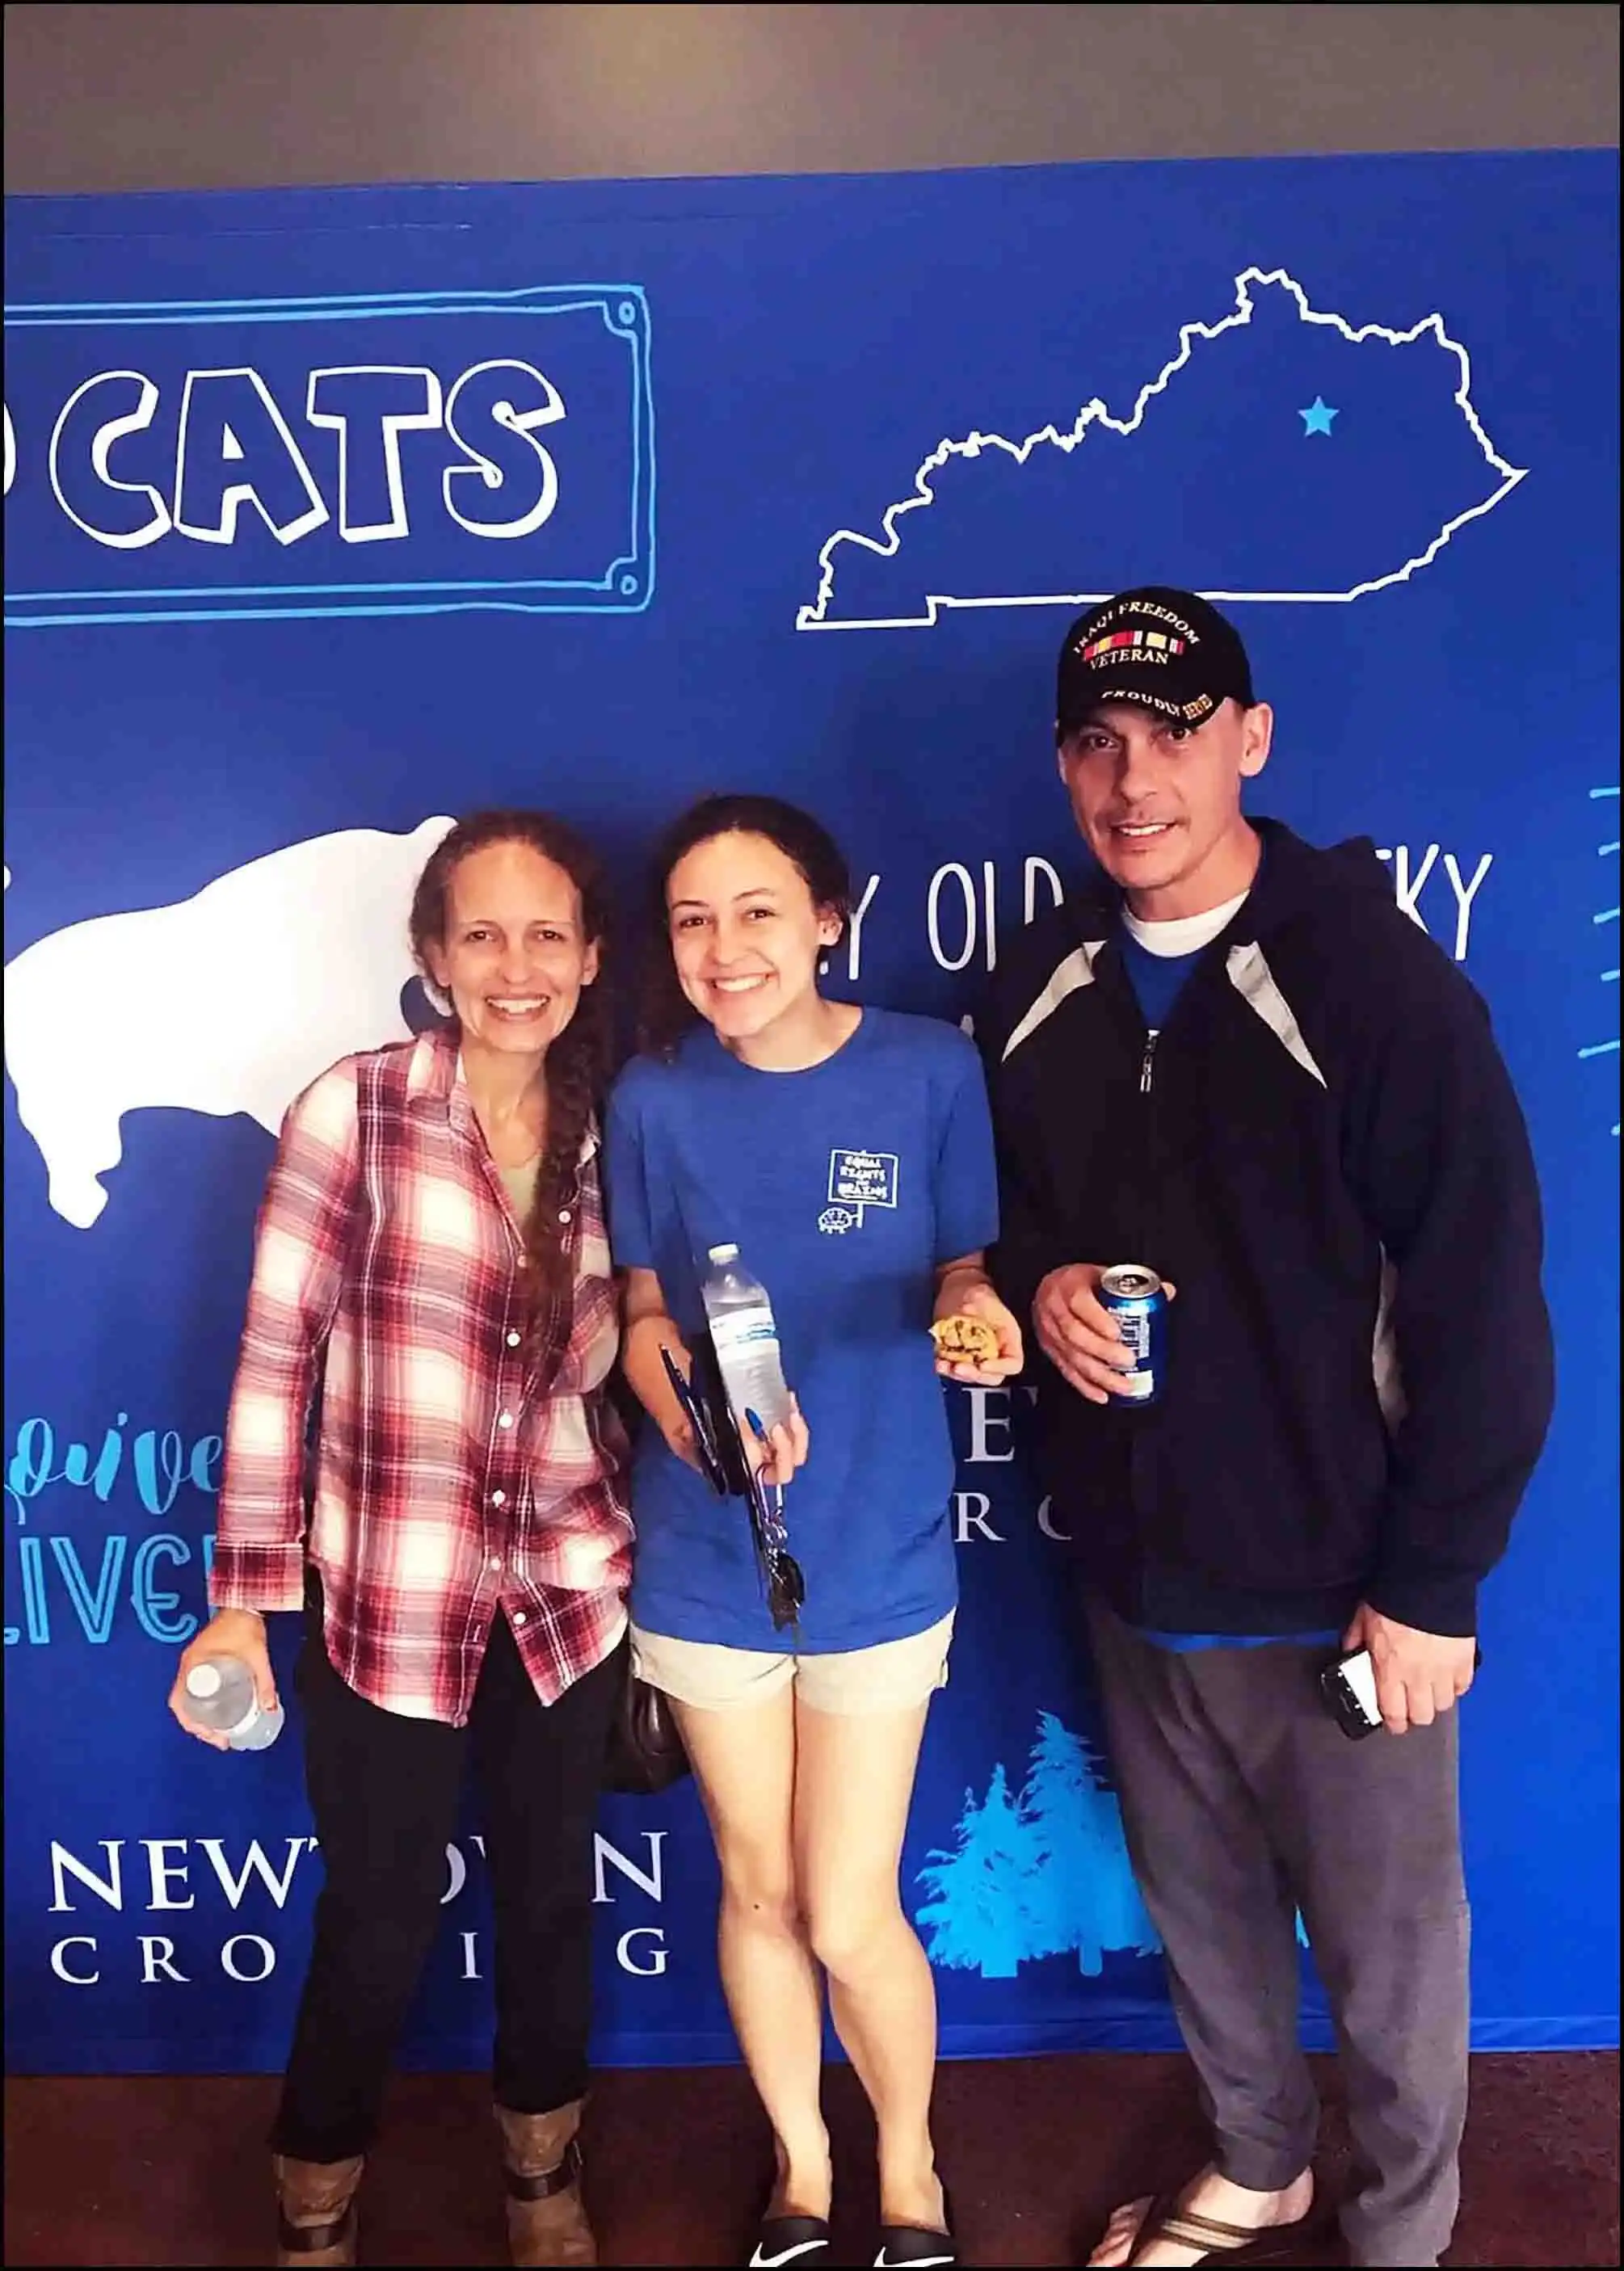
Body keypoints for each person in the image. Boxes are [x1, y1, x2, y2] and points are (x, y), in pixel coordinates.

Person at [978, 590, 1555, 2271]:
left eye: (1170, 735)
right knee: (1206, 1919)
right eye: (1096, 742)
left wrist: (1436, 1578)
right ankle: (1259, 2162)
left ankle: (1399, 2234)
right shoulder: (1037, 981)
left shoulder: (1376, 981)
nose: (1131, 779)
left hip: (1340, 1585)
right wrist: (1043, 1278)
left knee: (1388, 1956)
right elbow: (997, 1227)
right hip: (1138, 1567)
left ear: (1253, 739)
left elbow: (1482, 1297)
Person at [169, 810, 633, 2271]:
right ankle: (314, 2195)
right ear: (429, 956)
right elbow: (271, 1357)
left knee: (555, 1904)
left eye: (546, 934)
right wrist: (244, 1598)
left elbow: (649, 1349)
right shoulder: (352, 1110)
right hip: (392, 1600)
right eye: (481, 934)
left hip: (566, 1596)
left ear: (590, 956)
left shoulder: (624, 1130)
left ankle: (541, 2177)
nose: (516, 966)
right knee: (376, 1917)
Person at [604, 793, 1023, 2271]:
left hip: (881, 1543)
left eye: (758, 910)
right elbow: (644, 1311)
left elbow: (964, 1263)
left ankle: (909, 2161)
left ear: (828, 917)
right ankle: (802, 2164)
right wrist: (693, 1419)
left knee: (848, 1906)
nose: (725, 950)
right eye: (693, 920)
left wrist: (974, 1315)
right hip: (707, 1555)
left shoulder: (926, 1067)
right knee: (760, 1887)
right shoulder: (651, 1094)